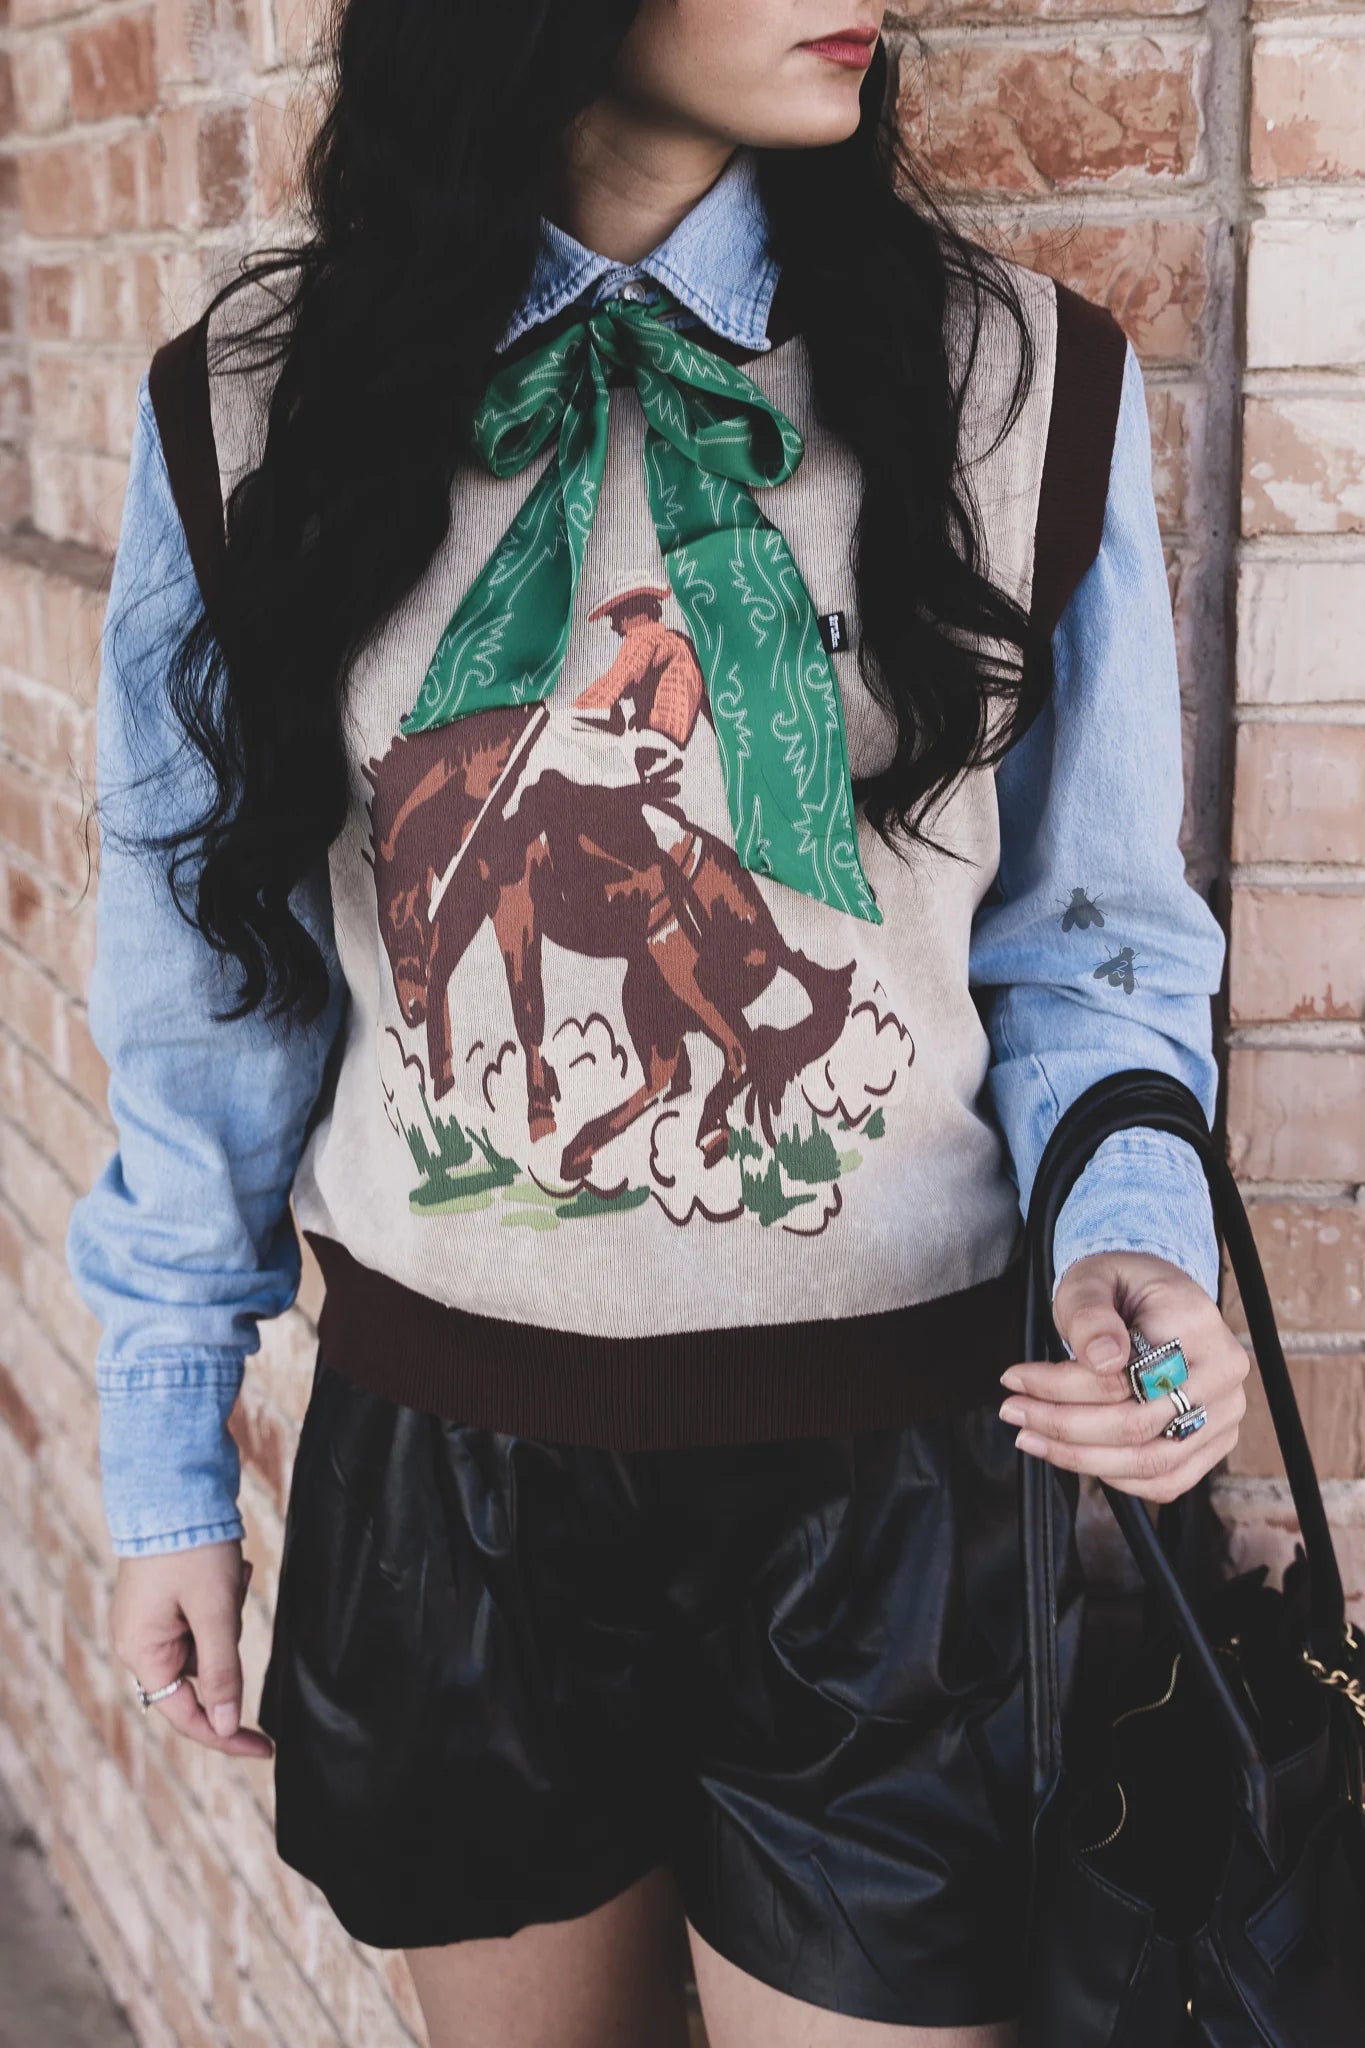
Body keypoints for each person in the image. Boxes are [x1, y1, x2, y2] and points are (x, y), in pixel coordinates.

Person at [65, 5, 1251, 2044]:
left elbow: (1091, 942)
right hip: (451, 1483)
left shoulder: (1011, 380)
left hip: (898, 1486)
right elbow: (213, 982)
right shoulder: (260, 405)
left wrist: (1127, 1239)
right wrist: (170, 1457)